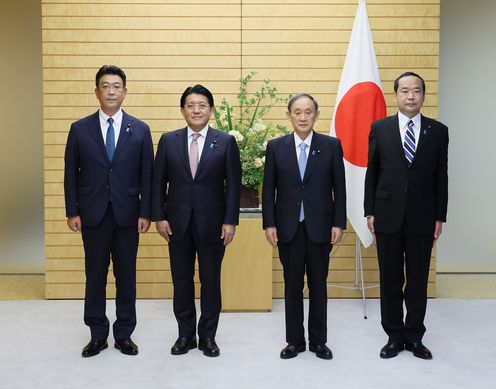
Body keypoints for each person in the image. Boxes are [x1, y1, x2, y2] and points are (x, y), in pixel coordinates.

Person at [64, 65, 154, 357]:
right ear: (97, 92)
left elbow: (147, 176)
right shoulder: (80, 129)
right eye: (106, 86)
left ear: (125, 92)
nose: (111, 91)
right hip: (92, 214)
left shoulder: (140, 130)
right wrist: (72, 211)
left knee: (126, 276)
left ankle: (124, 334)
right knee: (95, 275)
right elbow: (70, 174)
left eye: (117, 86)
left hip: (129, 215)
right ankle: (97, 334)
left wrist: (146, 212)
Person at [151, 84, 241, 357]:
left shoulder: (225, 141)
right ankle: (185, 334)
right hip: (176, 223)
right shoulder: (168, 140)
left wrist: (230, 221)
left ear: (210, 110)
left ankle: (208, 337)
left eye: (202, 105)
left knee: (211, 281)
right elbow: (158, 183)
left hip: (213, 224)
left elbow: (233, 186)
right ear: (182, 110)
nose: (196, 110)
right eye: (190, 105)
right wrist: (159, 217)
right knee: (181, 280)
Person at [364, 72, 449, 360]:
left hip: (423, 217)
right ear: (396, 95)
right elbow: (372, 173)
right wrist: (369, 211)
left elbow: (441, 178)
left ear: (423, 95)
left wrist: (440, 216)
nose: (410, 96)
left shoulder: (438, 131)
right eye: (404, 91)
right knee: (389, 278)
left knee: (417, 279)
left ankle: (414, 336)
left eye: (416, 91)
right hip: (386, 214)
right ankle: (393, 336)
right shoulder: (380, 128)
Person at [262, 93, 346, 360]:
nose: (302, 117)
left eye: (308, 112)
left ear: (316, 115)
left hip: (320, 226)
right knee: (292, 285)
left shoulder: (331, 146)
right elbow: (268, 190)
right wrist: (269, 224)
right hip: (288, 227)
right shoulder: (276, 147)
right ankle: (295, 341)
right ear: (288, 115)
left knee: (319, 285)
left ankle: (319, 341)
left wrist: (338, 223)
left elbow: (339, 189)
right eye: (297, 112)